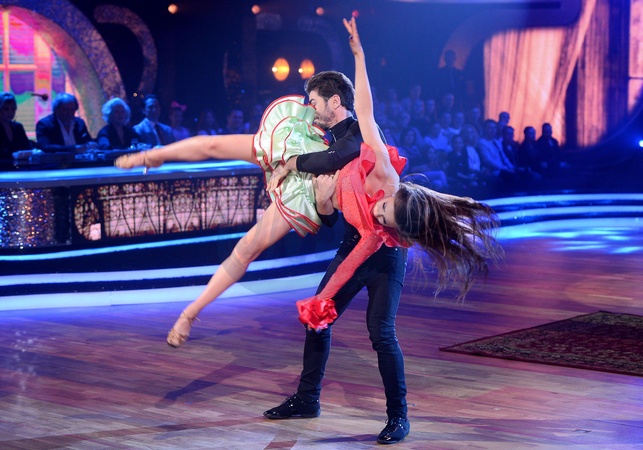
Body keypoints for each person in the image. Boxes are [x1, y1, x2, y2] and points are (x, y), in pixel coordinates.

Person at [115, 17, 501, 444]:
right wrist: (359, 55)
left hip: (383, 259)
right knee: (317, 321)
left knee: (381, 333)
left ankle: (398, 416)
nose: (379, 212)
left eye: (384, 216)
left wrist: (323, 287)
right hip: (352, 238)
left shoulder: (380, 233)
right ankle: (306, 399)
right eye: (384, 207)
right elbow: (364, 114)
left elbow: (351, 251)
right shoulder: (380, 168)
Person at [0, 93, 32, 159]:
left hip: (19, 164)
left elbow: (26, 147)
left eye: (13, 109)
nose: (10, 112)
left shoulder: (18, 127)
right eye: (6, 109)